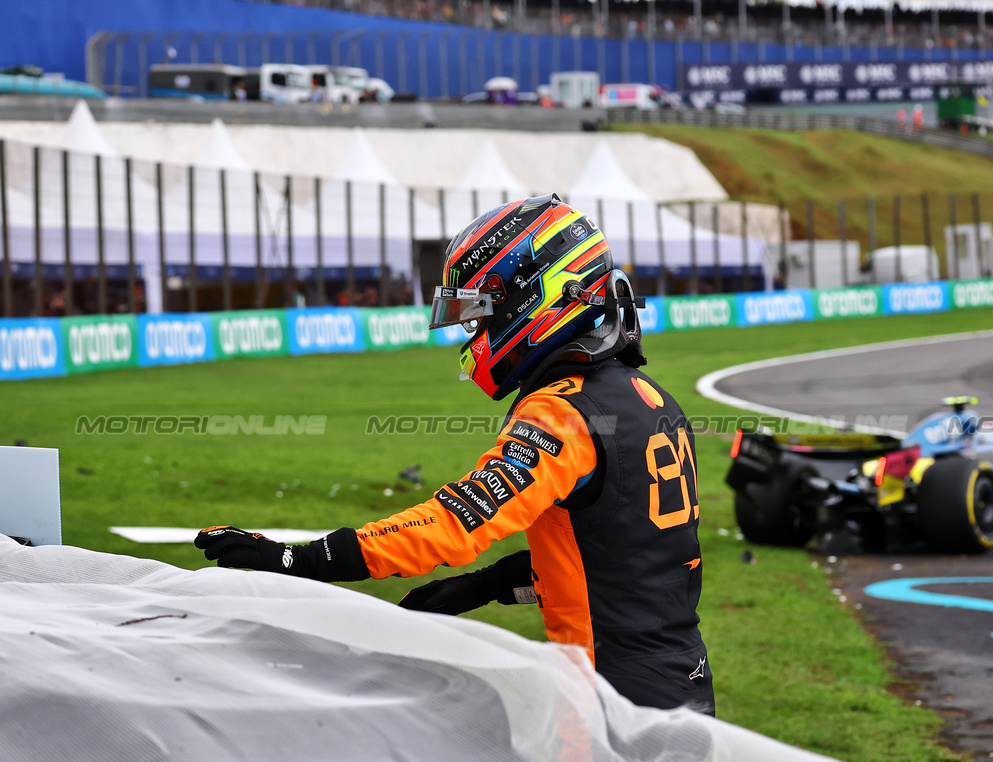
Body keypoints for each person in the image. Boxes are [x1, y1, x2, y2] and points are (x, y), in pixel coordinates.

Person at [195, 194, 714, 715]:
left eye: (481, 312)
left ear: (540, 297)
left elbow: (454, 524)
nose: (473, 332)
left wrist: (296, 561)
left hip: (611, 700)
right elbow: (620, 555)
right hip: (678, 680)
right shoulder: (650, 397)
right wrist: (485, 586)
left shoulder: (562, 412)